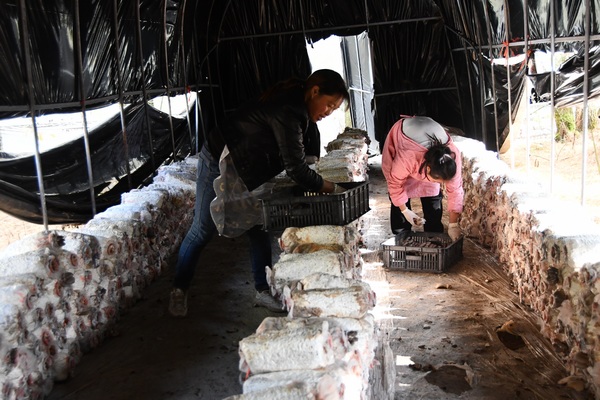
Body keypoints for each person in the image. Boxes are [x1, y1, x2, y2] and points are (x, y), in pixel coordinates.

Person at [169, 69, 350, 317]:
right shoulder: (289, 108)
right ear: (314, 91)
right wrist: (332, 187)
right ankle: (179, 289)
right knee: (202, 229)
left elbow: (294, 153)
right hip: (221, 158)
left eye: (334, 108)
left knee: (257, 224)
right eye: (329, 104)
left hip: (247, 163)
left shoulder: (298, 106)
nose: (328, 112)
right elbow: (295, 168)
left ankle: (262, 290)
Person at [381, 115, 463, 241]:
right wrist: (405, 212)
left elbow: (455, 190)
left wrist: (453, 224)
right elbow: (395, 184)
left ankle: (434, 235)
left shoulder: (451, 157)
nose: (441, 184)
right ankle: (401, 236)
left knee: (433, 193)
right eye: (437, 180)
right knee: (399, 199)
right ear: (428, 169)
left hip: (427, 153)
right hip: (404, 141)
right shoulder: (407, 158)